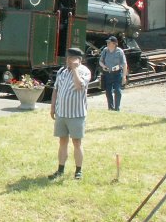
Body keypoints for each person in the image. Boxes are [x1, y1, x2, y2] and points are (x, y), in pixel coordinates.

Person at [48, 47, 92, 181]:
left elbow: (79, 86)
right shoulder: (62, 71)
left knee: (77, 142)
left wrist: (75, 70)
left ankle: (78, 171)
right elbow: (56, 89)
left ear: (78, 59)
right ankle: (60, 169)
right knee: (62, 141)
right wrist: (53, 106)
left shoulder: (85, 71)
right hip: (61, 113)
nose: (68, 61)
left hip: (76, 114)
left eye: (71, 58)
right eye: (67, 58)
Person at [98, 36, 127, 111]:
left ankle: (117, 108)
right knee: (108, 91)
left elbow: (124, 64)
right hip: (107, 74)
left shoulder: (120, 51)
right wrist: (103, 66)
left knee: (117, 90)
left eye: (109, 42)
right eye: (107, 42)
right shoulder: (105, 50)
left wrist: (124, 76)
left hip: (117, 74)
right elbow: (100, 61)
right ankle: (110, 108)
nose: (107, 43)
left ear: (114, 44)